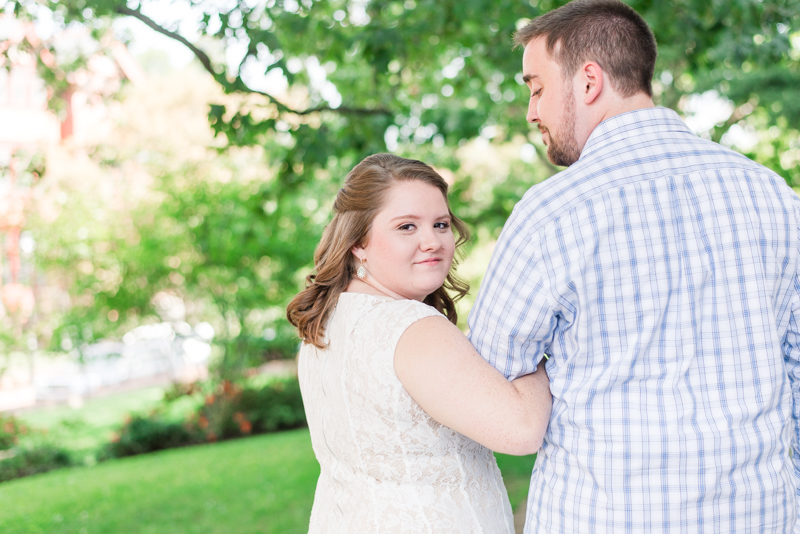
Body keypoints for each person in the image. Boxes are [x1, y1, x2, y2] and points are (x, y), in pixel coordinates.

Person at [468, 0, 800, 532]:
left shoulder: (553, 212)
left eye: (536, 88)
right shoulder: (772, 194)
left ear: (589, 81)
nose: (532, 112)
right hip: (761, 515)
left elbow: (487, 374)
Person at [286, 153, 552, 533]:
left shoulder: (324, 324)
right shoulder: (411, 327)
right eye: (407, 226)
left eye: (440, 224)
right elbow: (522, 429)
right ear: (358, 242)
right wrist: (542, 352)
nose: (432, 241)